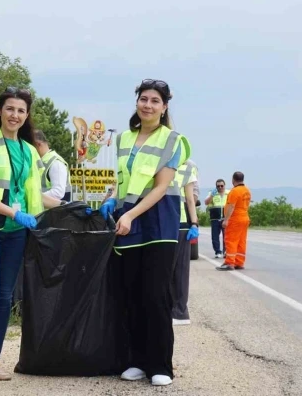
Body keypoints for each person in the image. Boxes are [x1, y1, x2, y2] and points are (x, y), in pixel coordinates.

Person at [0, 86, 58, 387]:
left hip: (16, 232)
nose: (14, 115)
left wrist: (64, 209)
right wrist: (12, 212)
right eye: (9, 109)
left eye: (20, 110)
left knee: (6, 298)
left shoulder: (30, 151)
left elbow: (34, 194)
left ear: (26, 115)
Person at [103, 79, 190, 387]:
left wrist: (129, 214)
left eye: (155, 101)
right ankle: (136, 360)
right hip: (128, 220)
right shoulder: (124, 138)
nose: (148, 105)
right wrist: (111, 200)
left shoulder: (173, 139)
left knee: (155, 295)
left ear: (164, 107)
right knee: (131, 293)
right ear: (137, 103)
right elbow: (124, 180)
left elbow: (161, 186)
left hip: (158, 223)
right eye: (144, 99)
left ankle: (160, 364)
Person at [172, 159, 199, 326]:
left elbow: (191, 199)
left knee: (178, 269)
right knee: (175, 269)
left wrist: (194, 223)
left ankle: (180, 312)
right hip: (172, 223)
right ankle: (176, 311)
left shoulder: (188, 166)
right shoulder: (159, 161)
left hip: (178, 223)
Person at [216, 171, 252, 271]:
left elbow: (231, 206)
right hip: (244, 218)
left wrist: (226, 220)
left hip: (235, 219)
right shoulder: (247, 191)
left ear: (233, 179)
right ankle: (239, 262)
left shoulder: (235, 191)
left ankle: (230, 262)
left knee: (231, 240)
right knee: (241, 241)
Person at [33, 129, 72, 205]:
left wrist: (33, 198)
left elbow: (58, 192)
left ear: (38, 144)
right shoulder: (40, 162)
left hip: (56, 214)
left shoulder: (55, 163)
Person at [205, 179, 229, 258]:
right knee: (215, 236)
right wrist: (212, 195)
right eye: (218, 186)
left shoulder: (228, 193)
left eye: (222, 186)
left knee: (226, 236)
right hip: (215, 218)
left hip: (225, 218)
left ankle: (226, 251)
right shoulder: (212, 193)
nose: (220, 187)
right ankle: (217, 251)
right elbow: (206, 202)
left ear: (224, 186)